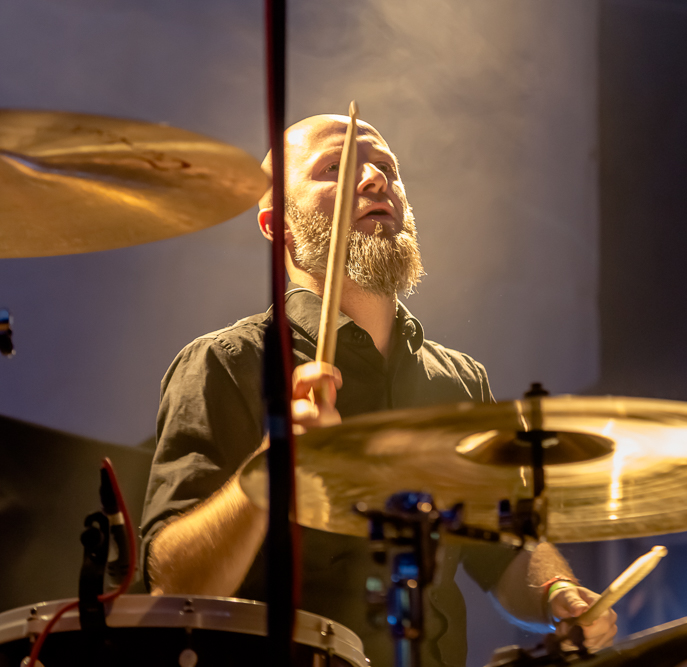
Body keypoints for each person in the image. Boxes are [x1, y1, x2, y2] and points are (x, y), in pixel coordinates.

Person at [138, 114, 616, 667]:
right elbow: (174, 585)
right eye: (334, 169)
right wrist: (273, 467)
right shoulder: (227, 363)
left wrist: (558, 592)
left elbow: (505, 550)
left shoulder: (461, 382)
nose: (374, 179)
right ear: (277, 226)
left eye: (386, 166)